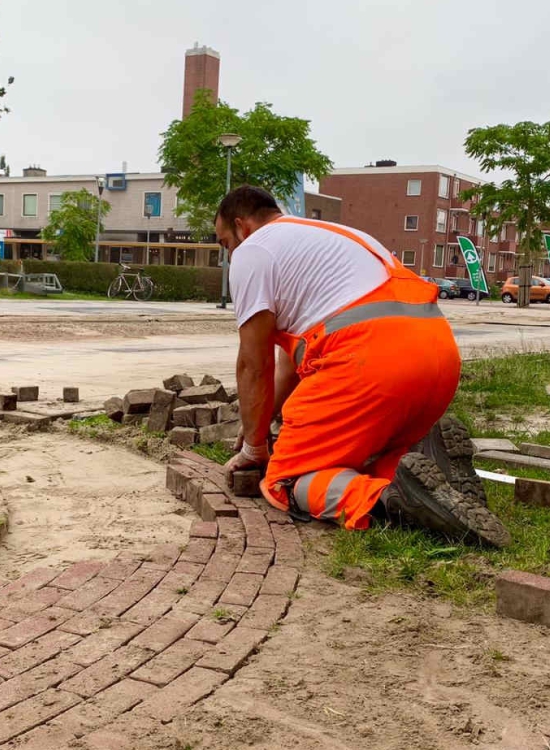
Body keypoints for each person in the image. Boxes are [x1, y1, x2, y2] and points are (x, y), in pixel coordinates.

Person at [215, 186, 509, 546]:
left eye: (225, 243)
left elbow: (252, 364)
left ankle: (387, 500)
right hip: (438, 357)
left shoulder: (253, 251)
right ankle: (426, 468)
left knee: (286, 479)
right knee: (365, 454)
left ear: (242, 227)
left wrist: (255, 451)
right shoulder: (336, 237)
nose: (229, 254)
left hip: (370, 363)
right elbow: (286, 369)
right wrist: (256, 427)